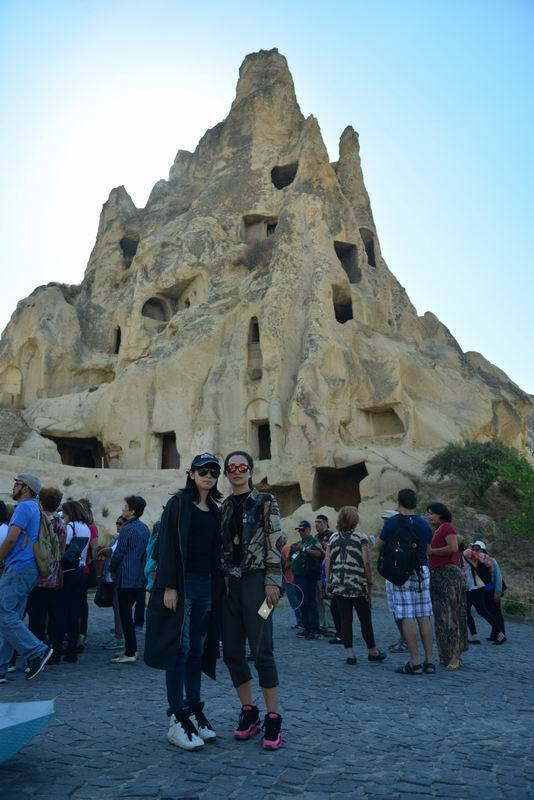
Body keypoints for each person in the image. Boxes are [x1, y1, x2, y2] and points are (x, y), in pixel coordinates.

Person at [145, 453, 221, 751]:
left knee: (197, 650)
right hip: (182, 584)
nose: (208, 475)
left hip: (205, 586)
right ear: (191, 474)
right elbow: (166, 546)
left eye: (213, 471)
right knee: (180, 648)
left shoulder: (215, 509)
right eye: (203, 470)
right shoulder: (178, 504)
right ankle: (177, 716)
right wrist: (169, 586)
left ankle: (194, 709)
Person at [220, 450, 284, 750]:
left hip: (259, 585)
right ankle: (249, 711)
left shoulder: (266, 501)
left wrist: (274, 581)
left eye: (242, 467)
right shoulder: (224, 507)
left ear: (250, 471)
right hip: (229, 586)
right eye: (231, 467)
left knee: (262, 651)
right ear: (226, 473)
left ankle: (273, 717)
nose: (237, 471)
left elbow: (275, 540)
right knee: (232, 652)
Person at [0, 474, 53, 682]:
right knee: (10, 617)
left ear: (26, 488)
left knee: (4, 613)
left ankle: (37, 650)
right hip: (29, 568)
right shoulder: (35, 508)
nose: (13, 486)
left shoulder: (23, 508)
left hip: (19, 567)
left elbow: (11, 539)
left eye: (17, 484)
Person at [377, 489, 434, 675]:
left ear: (399, 502)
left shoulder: (392, 522)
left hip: (402, 573)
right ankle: (429, 661)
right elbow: (428, 550)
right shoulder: (424, 524)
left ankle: (414, 662)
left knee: (407, 615)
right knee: (424, 616)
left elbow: (378, 545)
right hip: (422, 570)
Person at [326, 506, 386, 666]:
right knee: (365, 619)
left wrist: (328, 581)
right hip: (357, 584)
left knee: (345, 619)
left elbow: (328, 561)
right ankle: (372, 651)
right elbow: (366, 562)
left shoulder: (333, 537)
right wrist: (370, 583)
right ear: (355, 519)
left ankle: (350, 654)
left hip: (339, 584)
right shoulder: (361, 537)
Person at [109, 496, 150, 664]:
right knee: (129, 615)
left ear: (132, 510)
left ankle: (130, 651)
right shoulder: (145, 528)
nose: (123, 509)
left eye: (125, 506)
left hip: (126, 577)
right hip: (140, 576)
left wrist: (111, 569)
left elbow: (119, 552)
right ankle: (130, 648)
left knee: (125, 616)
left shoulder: (127, 529)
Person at [427, 502, 467, 670]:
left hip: (448, 574)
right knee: (441, 618)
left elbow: (453, 547)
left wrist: (431, 551)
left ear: (440, 514)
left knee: (452, 616)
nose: (429, 516)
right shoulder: (437, 530)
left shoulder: (447, 527)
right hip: (437, 575)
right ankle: (446, 654)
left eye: (431, 513)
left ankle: (456, 656)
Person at [50, 500, 91, 664]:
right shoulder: (86, 527)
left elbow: (62, 549)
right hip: (79, 571)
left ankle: (56, 652)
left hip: (66, 572)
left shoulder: (70, 527)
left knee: (60, 612)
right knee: (74, 612)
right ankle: (72, 651)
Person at [26, 487, 66, 646]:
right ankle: (51, 646)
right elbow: (61, 549)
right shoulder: (60, 523)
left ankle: (37, 650)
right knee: (49, 615)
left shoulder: (39, 520)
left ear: (41, 501)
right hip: (52, 575)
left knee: (35, 617)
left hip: (37, 576)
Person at [464, 540, 506, 644]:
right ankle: (494, 635)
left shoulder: (490, 560)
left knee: (496, 612)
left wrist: (497, 592)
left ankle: (501, 634)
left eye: (477, 549)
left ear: (482, 550)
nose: (475, 551)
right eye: (473, 549)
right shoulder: (476, 560)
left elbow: (498, 577)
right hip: (485, 588)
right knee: (489, 611)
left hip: (492, 588)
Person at [459, 540, 497, 644]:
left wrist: (495, 591)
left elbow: (488, 563)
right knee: (468, 612)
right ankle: (476, 636)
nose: (475, 550)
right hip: (470, 587)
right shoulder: (460, 556)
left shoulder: (467, 553)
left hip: (476, 587)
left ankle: (498, 632)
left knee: (483, 611)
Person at [290, 521, 323, 641]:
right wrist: (292, 554)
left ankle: (314, 629)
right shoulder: (300, 543)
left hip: (308, 577)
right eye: (299, 530)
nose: (300, 532)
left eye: (302, 530)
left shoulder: (313, 542)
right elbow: (295, 557)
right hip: (298, 577)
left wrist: (303, 549)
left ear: (309, 530)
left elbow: (318, 554)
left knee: (310, 603)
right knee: (302, 603)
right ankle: (306, 628)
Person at [98, 517, 125, 650]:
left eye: (120, 524)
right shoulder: (118, 538)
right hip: (114, 577)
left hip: (118, 577)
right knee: (116, 607)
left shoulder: (122, 538)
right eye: (116, 523)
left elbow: (115, 552)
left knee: (118, 607)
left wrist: (105, 550)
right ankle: (119, 634)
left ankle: (120, 637)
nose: (117, 526)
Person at [78, 498, 99, 649]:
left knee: (81, 603)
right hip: (81, 567)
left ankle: (81, 634)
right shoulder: (87, 527)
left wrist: (88, 560)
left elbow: (94, 550)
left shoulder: (90, 527)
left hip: (83, 569)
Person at [280, 533, 303, 628]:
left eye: (281, 538)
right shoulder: (284, 548)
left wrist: (286, 566)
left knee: (294, 601)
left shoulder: (285, 548)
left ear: (284, 539)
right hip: (285, 579)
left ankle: (301, 622)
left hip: (288, 579)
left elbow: (294, 556)